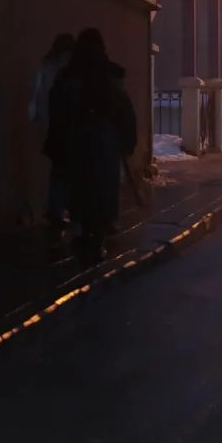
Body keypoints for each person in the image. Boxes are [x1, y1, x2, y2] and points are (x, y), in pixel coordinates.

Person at [45, 28, 137, 266]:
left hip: (75, 143)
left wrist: (57, 141)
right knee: (102, 190)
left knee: (78, 189)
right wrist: (127, 141)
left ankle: (81, 232)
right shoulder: (108, 76)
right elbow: (124, 111)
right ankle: (98, 235)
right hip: (103, 143)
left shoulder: (68, 77)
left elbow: (56, 110)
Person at [29, 33, 75, 241]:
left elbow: (37, 96)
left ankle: (56, 211)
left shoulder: (45, 67)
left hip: (52, 128)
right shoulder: (65, 70)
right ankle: (60, 210)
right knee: (66, 171)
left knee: (59, 170)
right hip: (63, 128)